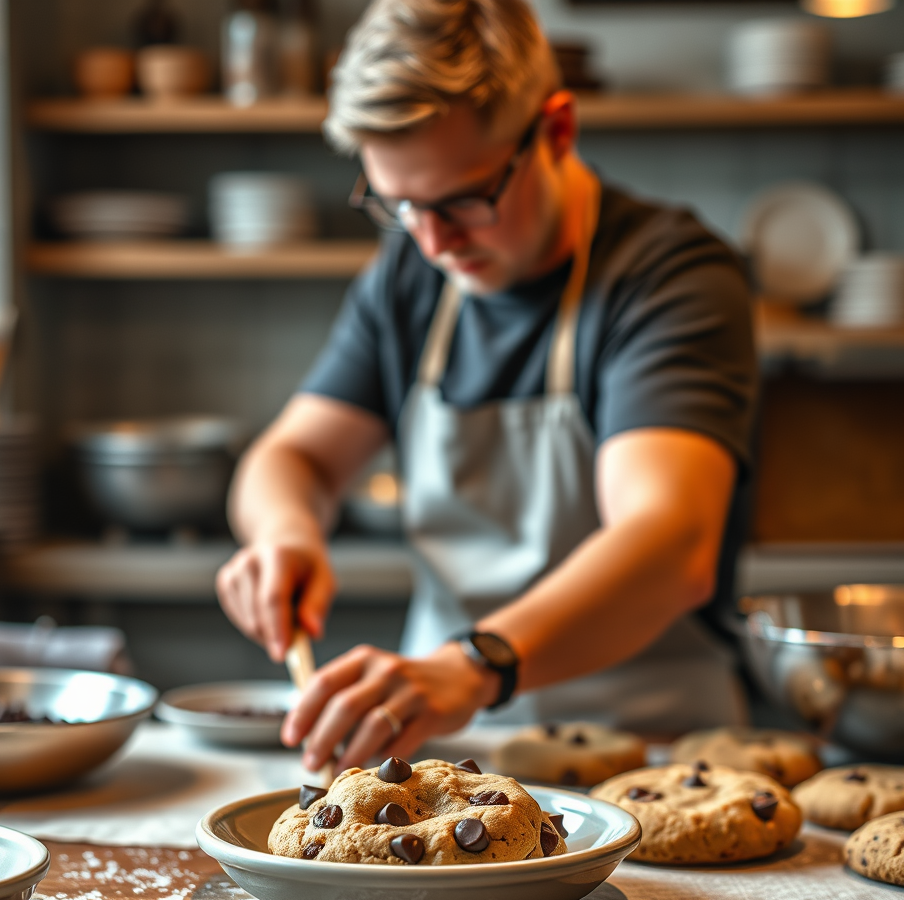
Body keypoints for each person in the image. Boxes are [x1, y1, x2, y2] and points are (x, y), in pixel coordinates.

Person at [216, 0, 757, 775]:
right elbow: (291, 454)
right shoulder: (408, 275)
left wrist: (476, 665)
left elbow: (670, 542)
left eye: (464, 200)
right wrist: (285, 533)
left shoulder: (669, 277)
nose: (434, 242)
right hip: (440, 752)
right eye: (399, 205)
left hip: (653, 753)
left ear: (557, 130)